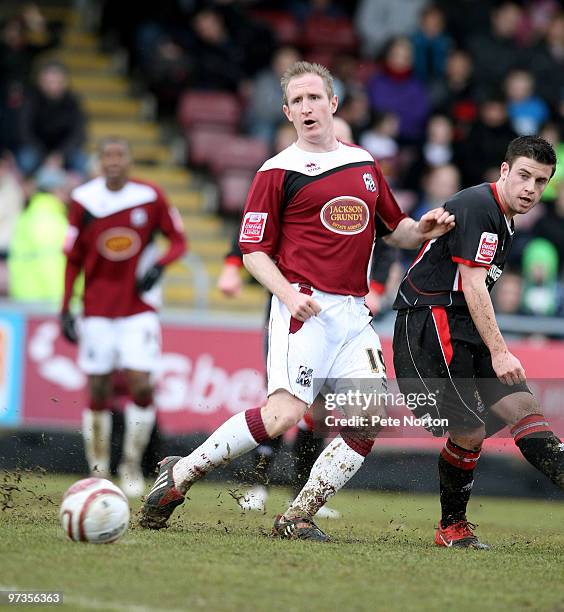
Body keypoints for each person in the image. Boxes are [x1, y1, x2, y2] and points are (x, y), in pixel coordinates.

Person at [140, 61, 455, 540]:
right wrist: (287, 294)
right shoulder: (276, 172)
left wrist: (423, 230)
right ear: (287, 112)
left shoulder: (365, 164)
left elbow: (397, 231)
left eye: (315, 98)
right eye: (297, 101)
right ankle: (180, 474)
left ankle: (297, 515)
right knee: (283, 416)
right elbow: (252, 251)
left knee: (370, 414)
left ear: (333, 103)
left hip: (352, 313)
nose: (307, 108)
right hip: (301, 308)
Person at [392, 135, 563, 549]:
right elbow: (472, 283)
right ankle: (452, 528)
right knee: (469, 431)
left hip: (462, 324)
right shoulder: (480, 206)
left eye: (540, 182)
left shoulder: (504, 215)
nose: (530, 189)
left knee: (523, 408)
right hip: (430, 324)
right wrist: (501, 350)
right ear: (504, 171)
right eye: (523, 176)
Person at [60, 137, 187, 497]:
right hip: (97, 309)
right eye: (108, 156)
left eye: (120, 155)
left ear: (129, 161)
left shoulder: (150, 197)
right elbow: (71, 259)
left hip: (139, 308)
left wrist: (159, 266)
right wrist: (65, 306)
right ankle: (98, 470)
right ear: (100, 162)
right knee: (98, 388)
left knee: (141, 384)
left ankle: (131, 463)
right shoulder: (84, 201)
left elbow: (178, 241)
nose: (114, 162)